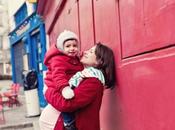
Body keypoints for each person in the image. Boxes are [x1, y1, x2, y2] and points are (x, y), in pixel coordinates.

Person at [45, 42, 116, 130]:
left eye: (90, 52)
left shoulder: (93, 81)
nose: (85, 52)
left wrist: (48, 92)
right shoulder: (83, 75)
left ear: (99, 61)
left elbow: (66, 104)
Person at [39, 30, 83, 130]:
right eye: (68, 46)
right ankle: (68, 123)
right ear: (61, 48)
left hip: (67, 84)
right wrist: (64, 88)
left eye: (74, 45)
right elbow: (59, 76)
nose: (72, 48)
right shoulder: (57, 59)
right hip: (56, 86)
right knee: (64, 102)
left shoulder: (75, 58)